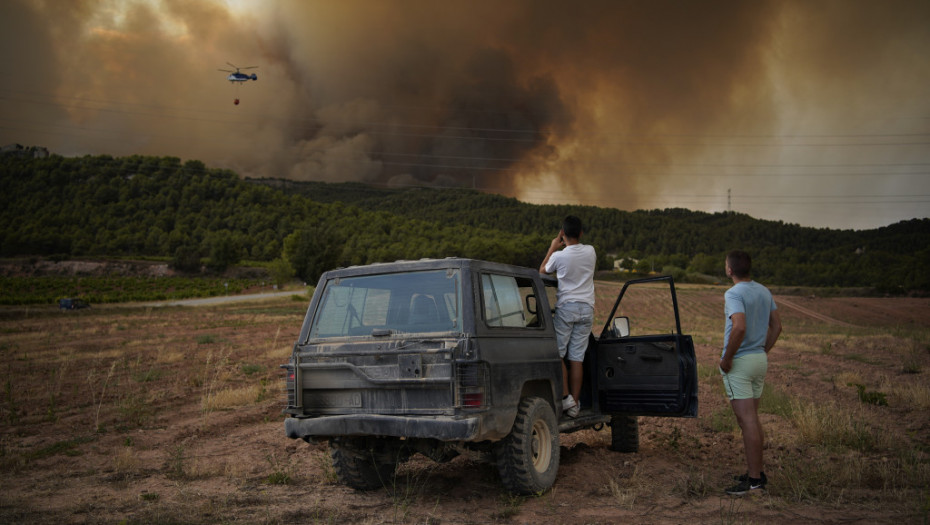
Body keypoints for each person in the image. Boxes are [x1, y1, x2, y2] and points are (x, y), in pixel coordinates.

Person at [719, 250, 782, 495]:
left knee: (747, 421)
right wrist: (762, 349)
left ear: (729, 270)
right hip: (759, 359)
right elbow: (777, 326)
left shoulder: (733, 293)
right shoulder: (763, 290)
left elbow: (739, 327)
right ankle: (756, 472)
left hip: (741, 363)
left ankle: (755, 481)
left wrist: (727, 359)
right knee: (752, 420)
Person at [539, 216, 596, 418]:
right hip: (587, 309)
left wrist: (553, 247)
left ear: (562, 234)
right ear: (581, 233)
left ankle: (565, 398)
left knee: (558, 354)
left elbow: (542, 271)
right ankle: (575, 405)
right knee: (577, 358)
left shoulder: (559, 256)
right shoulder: (591, 251)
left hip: (567, 308)